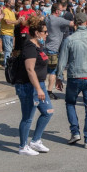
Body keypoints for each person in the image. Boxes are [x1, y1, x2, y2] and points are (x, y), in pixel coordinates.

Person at [56, 12, 87, 148]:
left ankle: (75, 132)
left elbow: (62, 60)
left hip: (74, 76)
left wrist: (59, 77)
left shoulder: (69, 39)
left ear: (75, 23)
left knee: (70, 103)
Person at [14, 14, 53, 156]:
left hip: (40, 85)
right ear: (37, 33)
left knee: (48, 112)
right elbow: (30, 70)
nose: (47, 34)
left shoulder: (38, 45)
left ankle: (36, 141)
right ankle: (23, 146)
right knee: (28, 117)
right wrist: (38, 88)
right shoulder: (30, 47)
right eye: (44, 32)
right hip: (28, 86)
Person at [44, 2, 74, 99]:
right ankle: (49, 91)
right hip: (53, 48)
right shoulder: (58, 20)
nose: (62, 12)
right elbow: (72, 23)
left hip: (45, 46)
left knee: (43, 70)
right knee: (52, 71)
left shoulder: (47, 18)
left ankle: (40, 89)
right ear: (57, 11)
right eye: (61, 10)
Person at [1, 0, 19, 66]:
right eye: (12, 3)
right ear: (8, 4)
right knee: (7, 49)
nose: (14, 4)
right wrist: (17, 21)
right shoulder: (5, 11)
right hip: (6, 33)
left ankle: (7, 63)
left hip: (11, 32)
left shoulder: (12, 12)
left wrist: (19, 20)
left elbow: (15, 22)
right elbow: (7, 21)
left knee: (10, 49)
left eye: (14, 3)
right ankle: (6, 64)